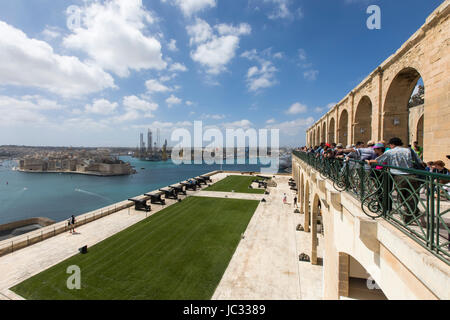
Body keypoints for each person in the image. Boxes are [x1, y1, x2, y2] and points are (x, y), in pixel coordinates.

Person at [370, 138, 423, 224]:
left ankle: (410, 214)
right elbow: (420, 162)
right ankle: (413, 212)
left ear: (392, 144)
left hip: (399, 176)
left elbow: (377, 161)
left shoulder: (390, 152)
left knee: (402, 196)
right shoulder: (410, 150)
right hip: (413, 175)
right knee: (413, 195)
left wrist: (369, 162)